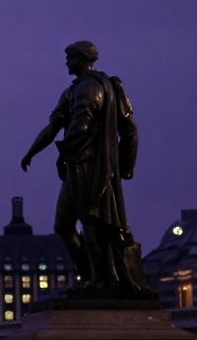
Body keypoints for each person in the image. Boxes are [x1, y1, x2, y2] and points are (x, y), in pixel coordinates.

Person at [20, 41, 152, 294]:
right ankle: (93, 276)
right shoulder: (78, 90)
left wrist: (64, 153)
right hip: (83, 164)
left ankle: (100, 280)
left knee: (91, 220)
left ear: (81, 58)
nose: (66, 62)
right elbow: (130, 130)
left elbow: (80, 127)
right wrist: (32, 152)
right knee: (65, 225)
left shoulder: (89, 89)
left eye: (69, 57)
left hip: (88, 166)